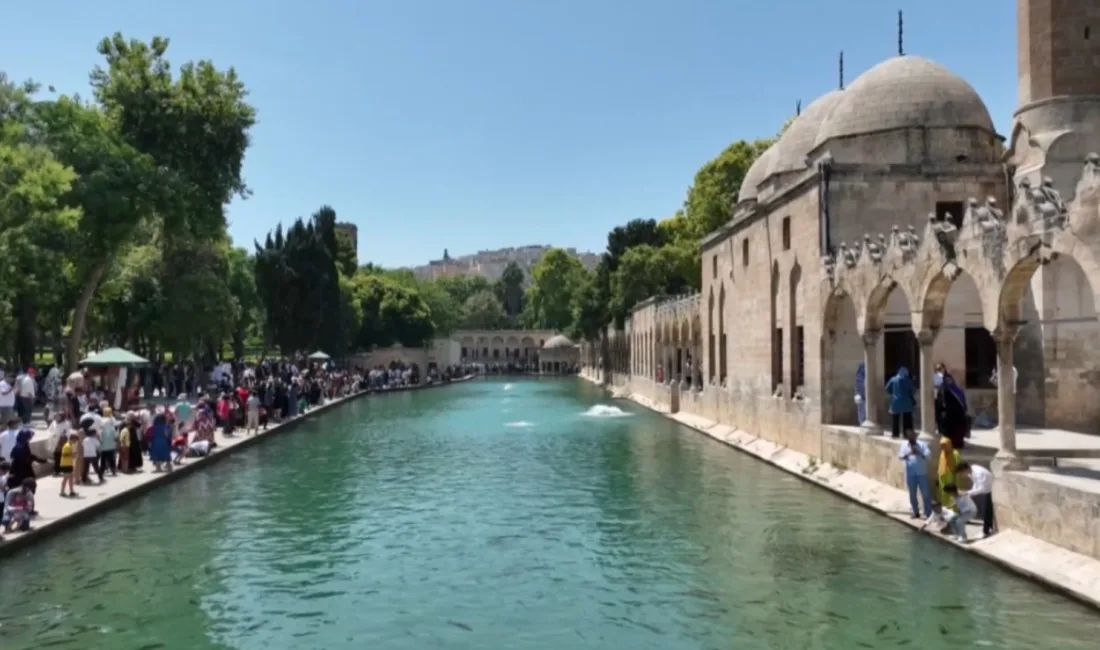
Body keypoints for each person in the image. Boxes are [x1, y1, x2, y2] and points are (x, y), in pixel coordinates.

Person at [898, 429, 933, 519]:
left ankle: (928, 513)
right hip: (911, 474)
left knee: (925, 493)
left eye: (913, 436)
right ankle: (915, 511)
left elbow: (928, 456)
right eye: (909, 437)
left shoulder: (922, 445)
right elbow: (900, 456)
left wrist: (919, 452)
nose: (911, 438)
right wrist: (909, 454)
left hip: (922, 473)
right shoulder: (904, 445)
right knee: (912, 494)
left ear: (915, 436)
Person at [956, 462, 995, 538]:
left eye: (962, 473)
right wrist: (967, 493)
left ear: (965, 470)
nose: (963, 476)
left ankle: (985, 532)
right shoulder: (971, 471)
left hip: (990, 489)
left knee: (986, 511)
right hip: (985, 490)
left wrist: (967, 493)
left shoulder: (978, 473)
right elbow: (975, 484)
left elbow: (981, 488)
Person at [935, 372, 969, 449]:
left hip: (959, 416)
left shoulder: (957, 389)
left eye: (949, 379)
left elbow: (963, 401)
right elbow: (941, 404)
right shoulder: (943, 389)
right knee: (948, 437)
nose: (948, 381)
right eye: (946, 379)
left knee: (958, 436)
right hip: (948, 417)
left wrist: (965, 410)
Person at [885, 367, 915, 439]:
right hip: (907, 402)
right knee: (907, 419)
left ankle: (895, 434)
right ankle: (907, 435)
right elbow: (912, 391)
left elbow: (887, 389)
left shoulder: (893, 379)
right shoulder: (908, 380)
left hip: (896, 401)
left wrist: (893, 393)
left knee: (895, 419)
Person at [99, 407, 119, 477]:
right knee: (112, 459)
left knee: (103, 460)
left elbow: (100, 438)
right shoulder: (112, 426)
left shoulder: (101, 423)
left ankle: (102, 472)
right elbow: (116, 436)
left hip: (104, 447)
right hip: (111, 446)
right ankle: (113, 471)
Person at [58, 432, 78, 497]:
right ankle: (62, 492)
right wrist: (72, 454)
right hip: (65, 464)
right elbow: (64, 454)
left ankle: (71, 491)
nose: (76, 441)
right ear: (73, 439)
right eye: (75, 440)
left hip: (70, 463)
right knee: (65, 478)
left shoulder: (71, 445)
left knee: (71, 478)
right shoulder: (67, 446)